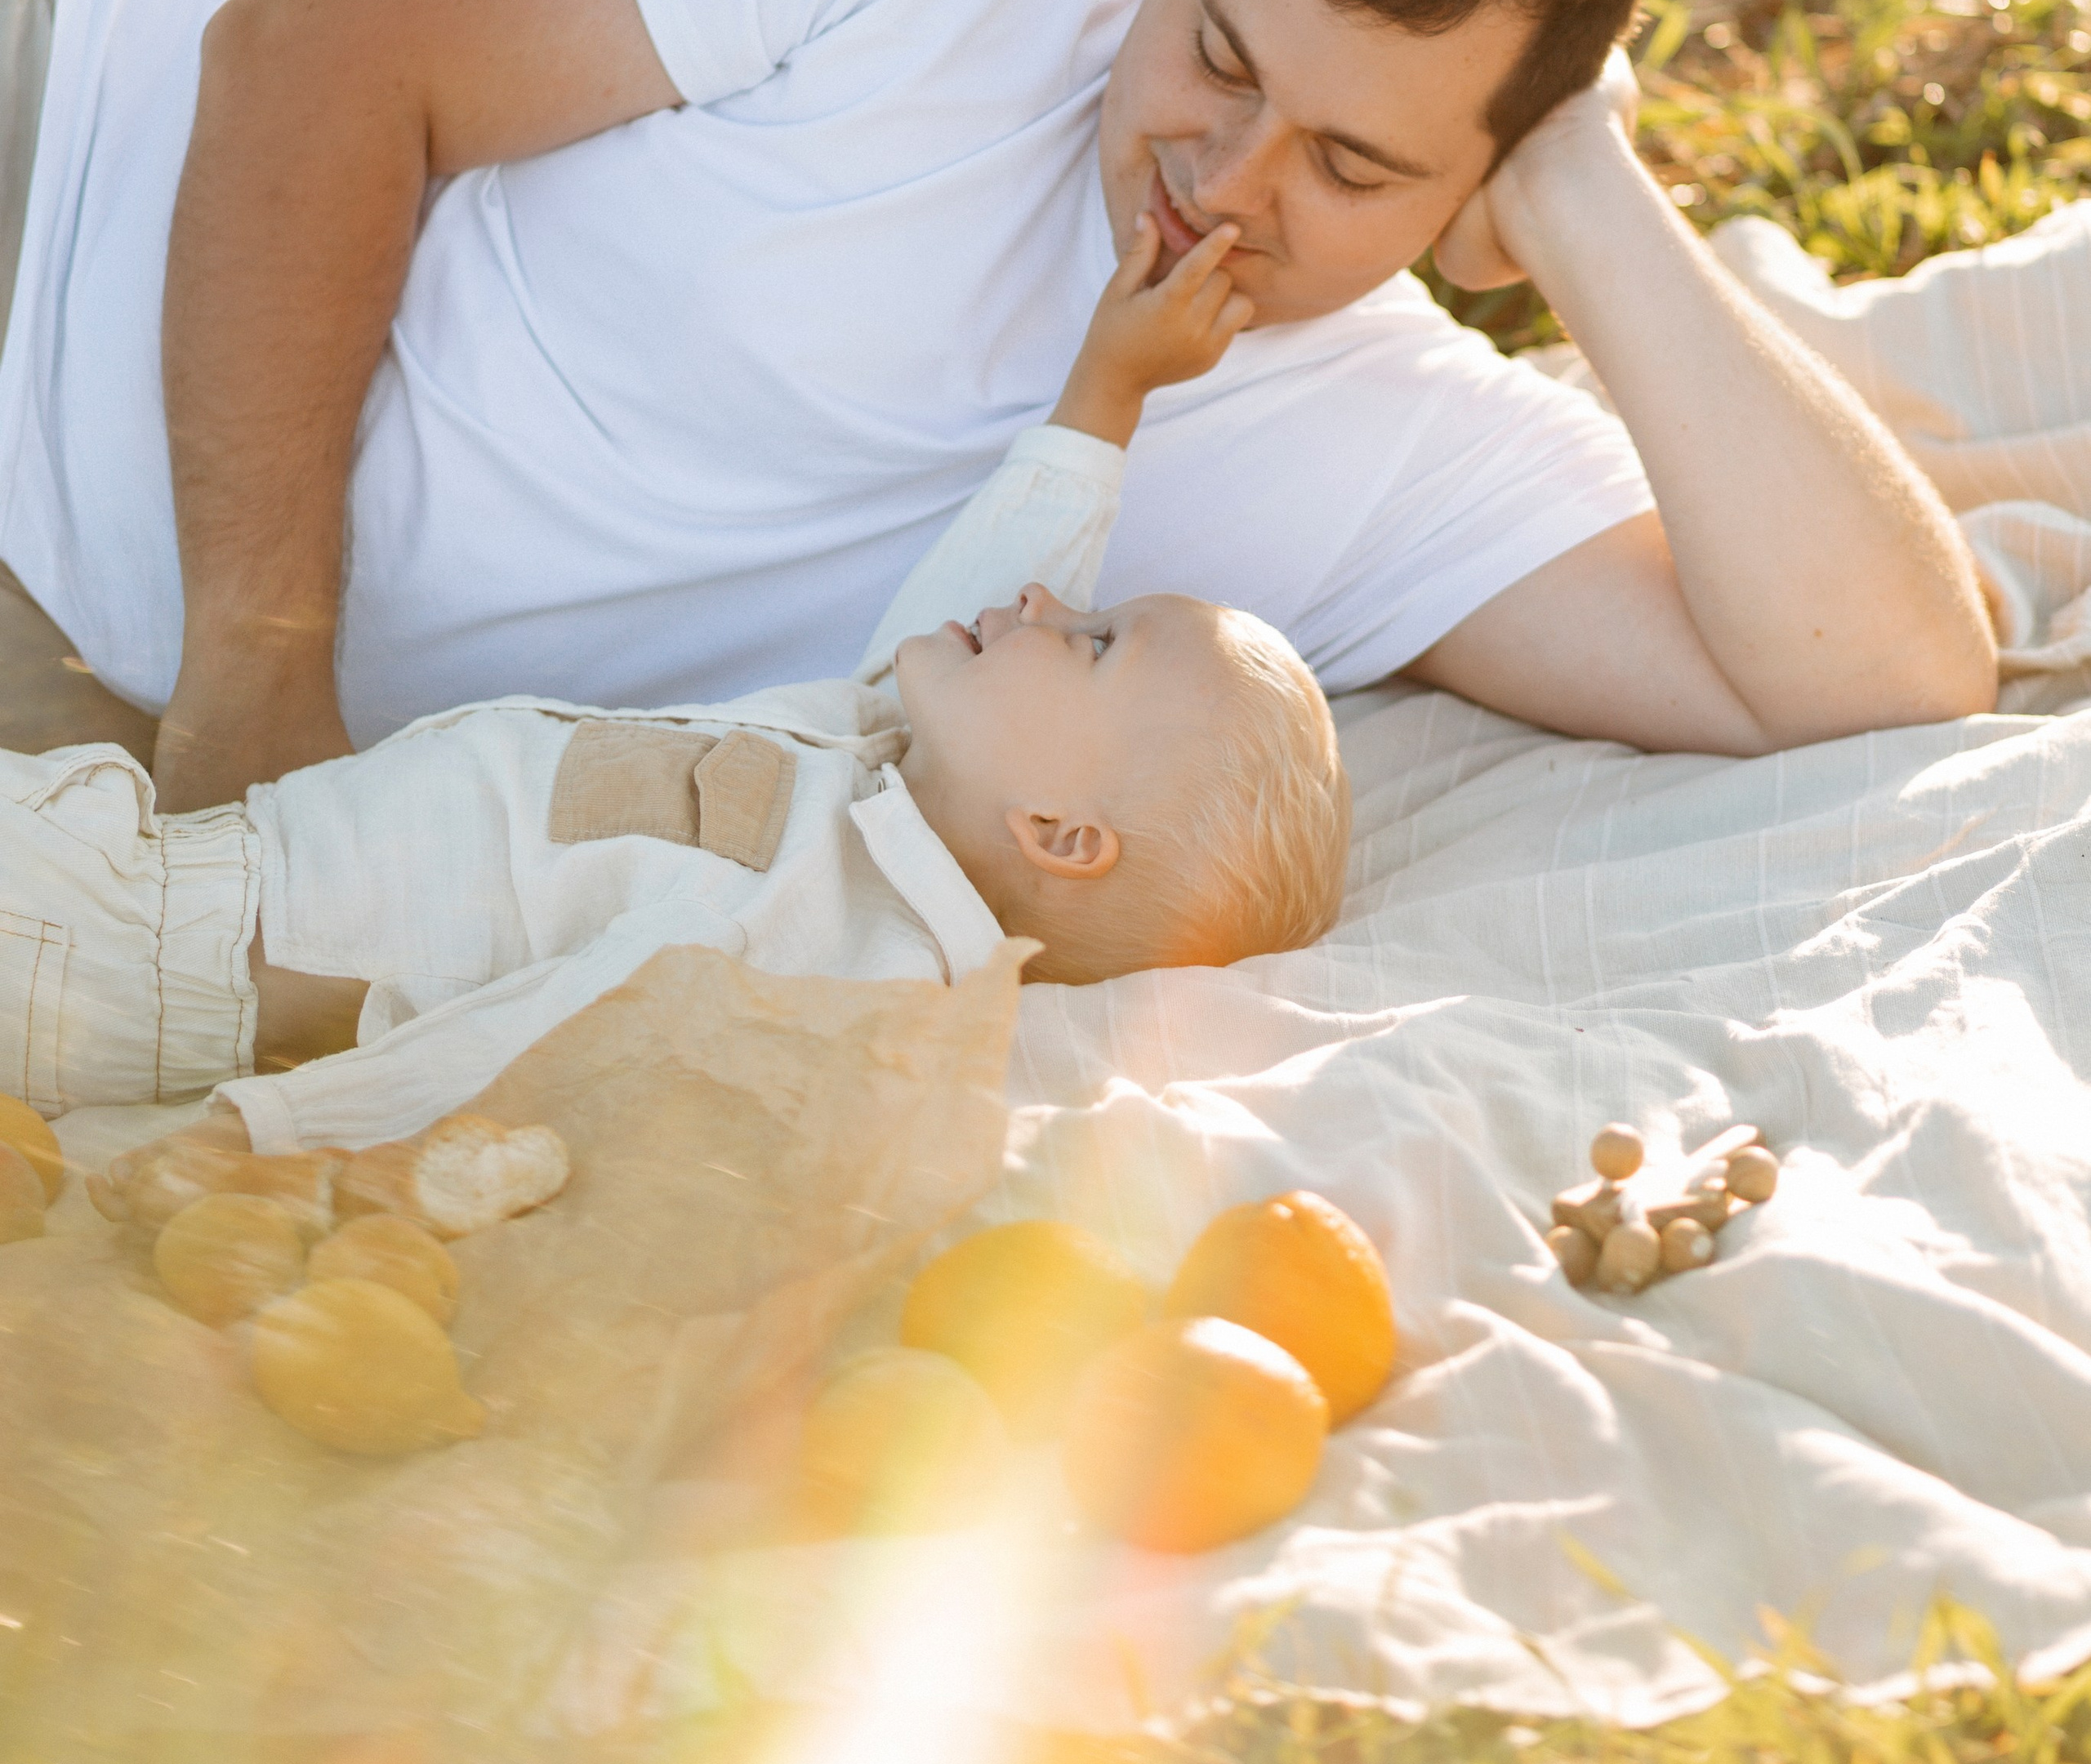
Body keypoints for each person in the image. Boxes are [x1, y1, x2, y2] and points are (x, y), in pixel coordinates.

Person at [0, 0, 1995, 822]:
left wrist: (1580, 189)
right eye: (1220, 54)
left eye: (1360, 162)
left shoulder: (1385, 435)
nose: (1224, 182)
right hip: (52, 158)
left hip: (70, 680)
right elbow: (307, 60)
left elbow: (1879, 673)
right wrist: (257, 685)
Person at [0, 214, 1349, 1150]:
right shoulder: (882, 764)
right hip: (158, 866)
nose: (1053, 603)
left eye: (1098, 642)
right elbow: (976, 596)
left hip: (161, 955)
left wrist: (266, 1140)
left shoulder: (844, 957)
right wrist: (1105, 394)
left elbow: (549, 1047)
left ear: (1060, 832)